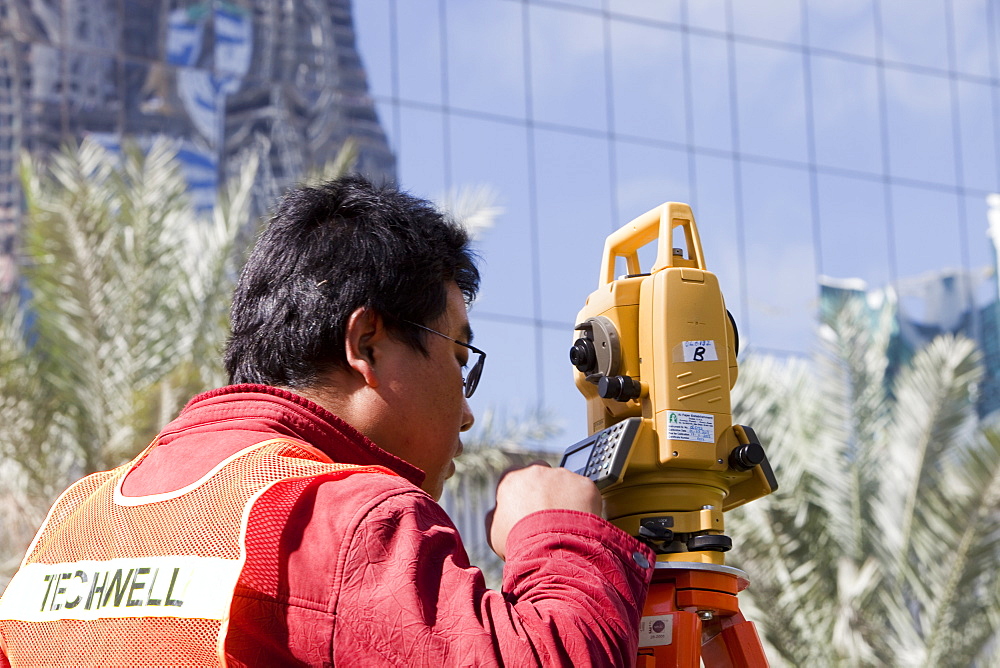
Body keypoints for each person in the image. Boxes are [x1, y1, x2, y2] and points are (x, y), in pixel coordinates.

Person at [0, 175, 654, 666]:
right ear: (367, 343)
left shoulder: (78, 516)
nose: (467, 412)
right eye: (459, 357)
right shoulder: (343, 517)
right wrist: (560, 533)